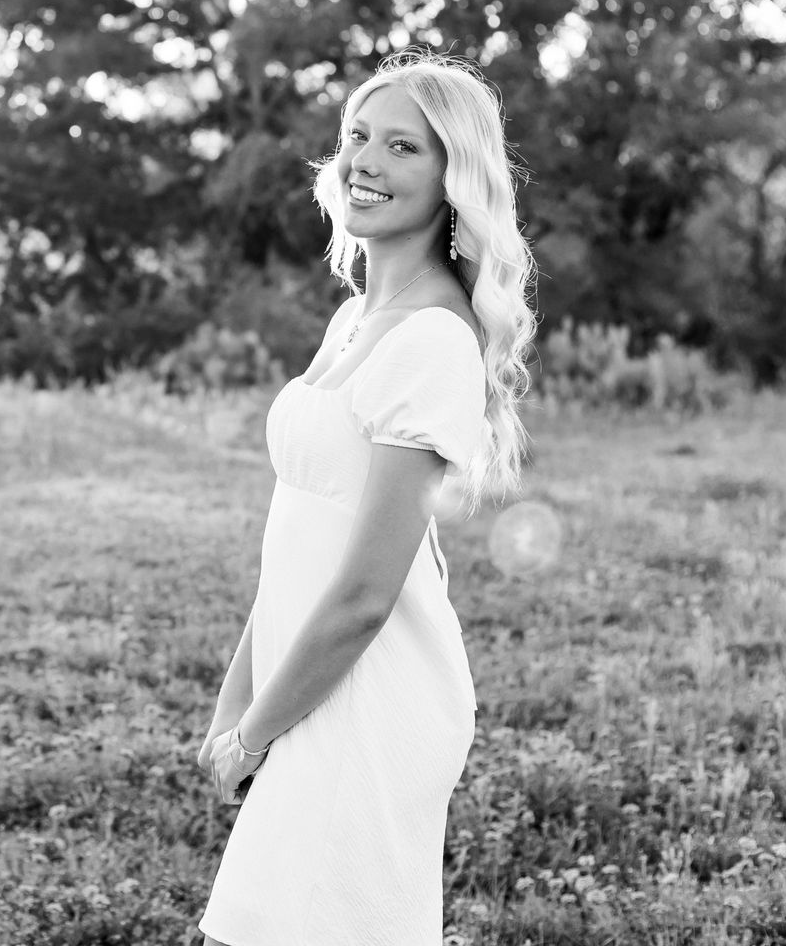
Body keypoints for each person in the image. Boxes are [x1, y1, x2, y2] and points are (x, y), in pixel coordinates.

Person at [194, 52, 537, 945]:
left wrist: (254, 734)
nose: (365, 162)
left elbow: (362, 596)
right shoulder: (353, 319)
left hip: (371, 695)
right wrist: (237, 702)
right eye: (356, 137)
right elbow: (296, 545)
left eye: (402, 147)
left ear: (453, 179)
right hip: (303, 683)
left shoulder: (431, 340)